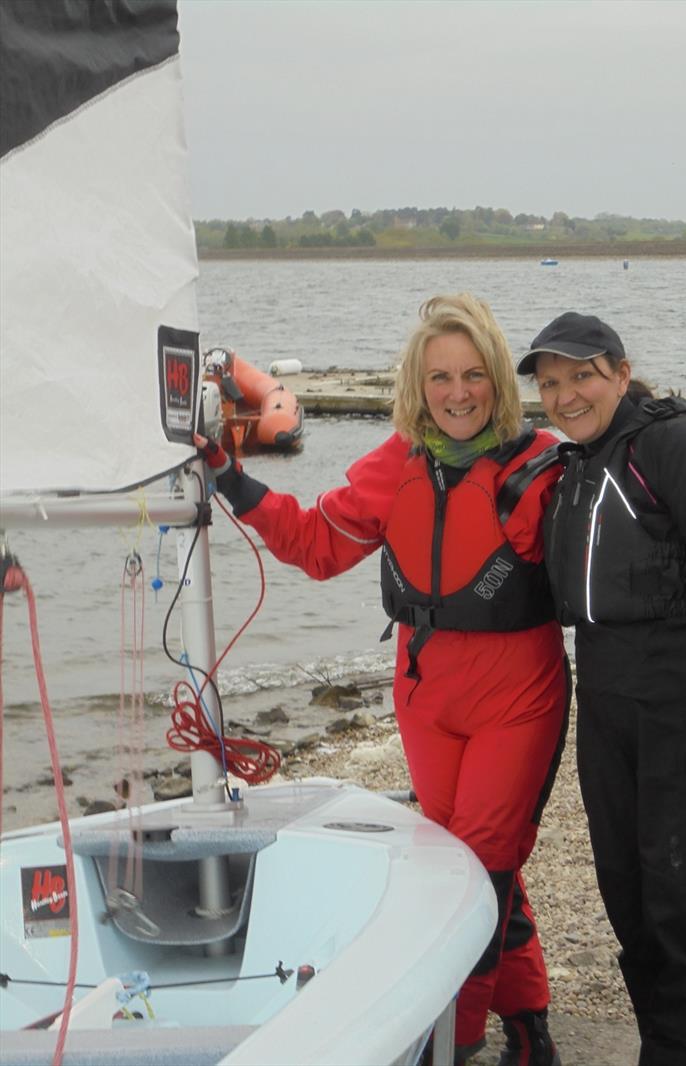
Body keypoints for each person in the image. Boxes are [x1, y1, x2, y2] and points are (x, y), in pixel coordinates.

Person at [196, 294, 570, 1066]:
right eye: (440, 377)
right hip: (426, 698)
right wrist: (229, 479)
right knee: (466, 859)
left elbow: (611, 568)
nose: (458, 393)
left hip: (518, 700)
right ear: (417, 382)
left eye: (473, 375)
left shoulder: (543, 471)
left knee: (482, 867)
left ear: (499, 378)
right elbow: (314, 543)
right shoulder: (393, 464)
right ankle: (529, 1017)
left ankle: (455, 1041)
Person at [517, 311, 686, 1066]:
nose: (566, 395)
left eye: (582, 375)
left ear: (621, 373)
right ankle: (664, 1045)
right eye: (551, 384)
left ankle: (681, 1054)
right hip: (607, 706)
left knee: (682, 898)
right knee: (626, 894)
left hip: (684, 706)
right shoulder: (577, 465)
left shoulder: (675, 443)